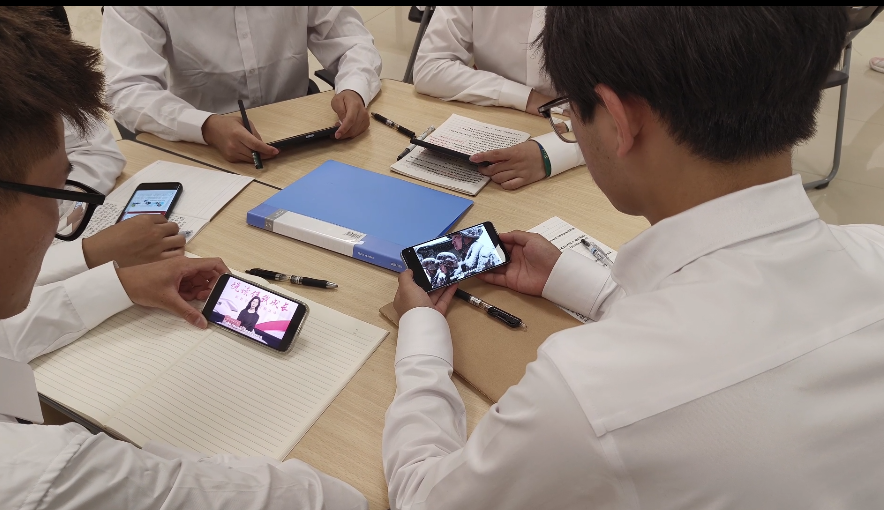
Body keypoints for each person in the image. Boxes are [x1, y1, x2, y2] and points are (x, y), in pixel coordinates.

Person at [385, 6, 884, 509]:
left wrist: (421, 337)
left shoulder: (588, 394)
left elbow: (425, 497)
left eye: (568, 113)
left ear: (618, 120)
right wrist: (586, 287)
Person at [0, 8, 367, 509]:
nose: (57, 222)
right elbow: (330, 499)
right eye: (59, 190)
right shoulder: (46, 475)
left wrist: (122, 285)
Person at [101, 7, 383, 163]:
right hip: (203, 147)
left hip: (302, 134)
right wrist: (205, 126)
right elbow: (127, 90)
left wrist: (354, 88)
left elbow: (353, 43)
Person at [413, 6, 583, 190]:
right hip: (494, 124)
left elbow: (609, 116)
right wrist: (526, 98)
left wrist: (550, 153)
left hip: (581, 141)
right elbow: (430, 67)